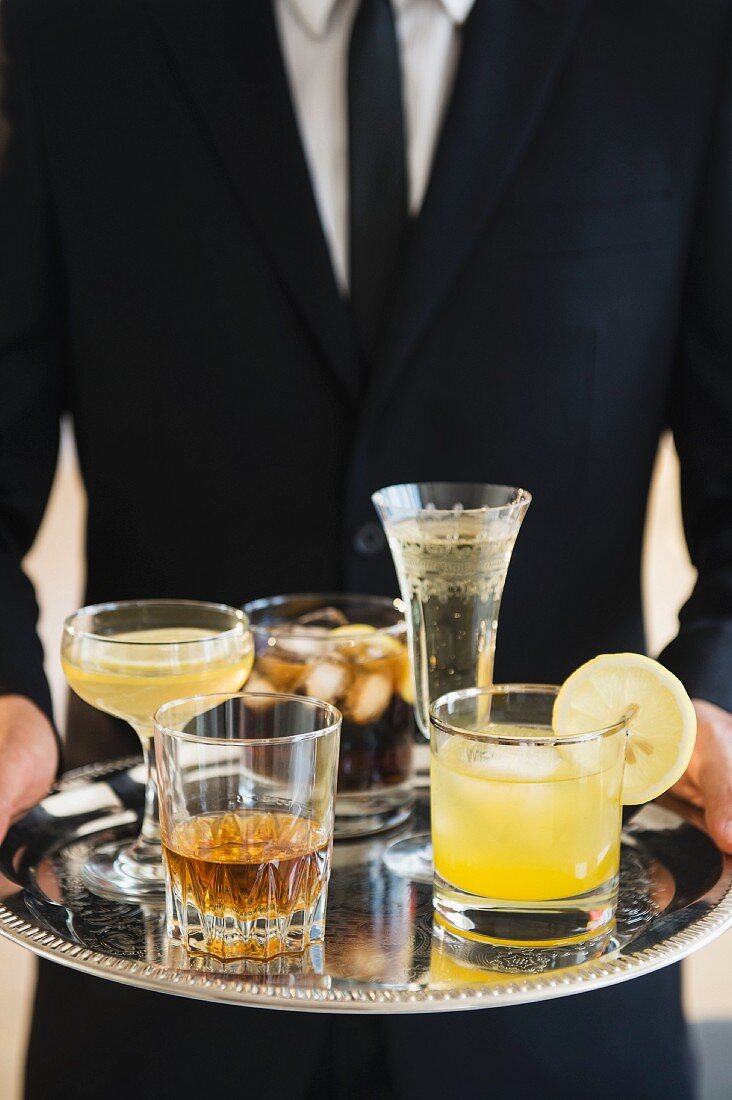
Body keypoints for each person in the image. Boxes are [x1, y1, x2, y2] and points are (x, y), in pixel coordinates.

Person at [1, 0, 731, 1095]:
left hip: (552, 990)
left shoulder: (682, 34)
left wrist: (717, 699)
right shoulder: (72, 31)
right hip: (170, 995)